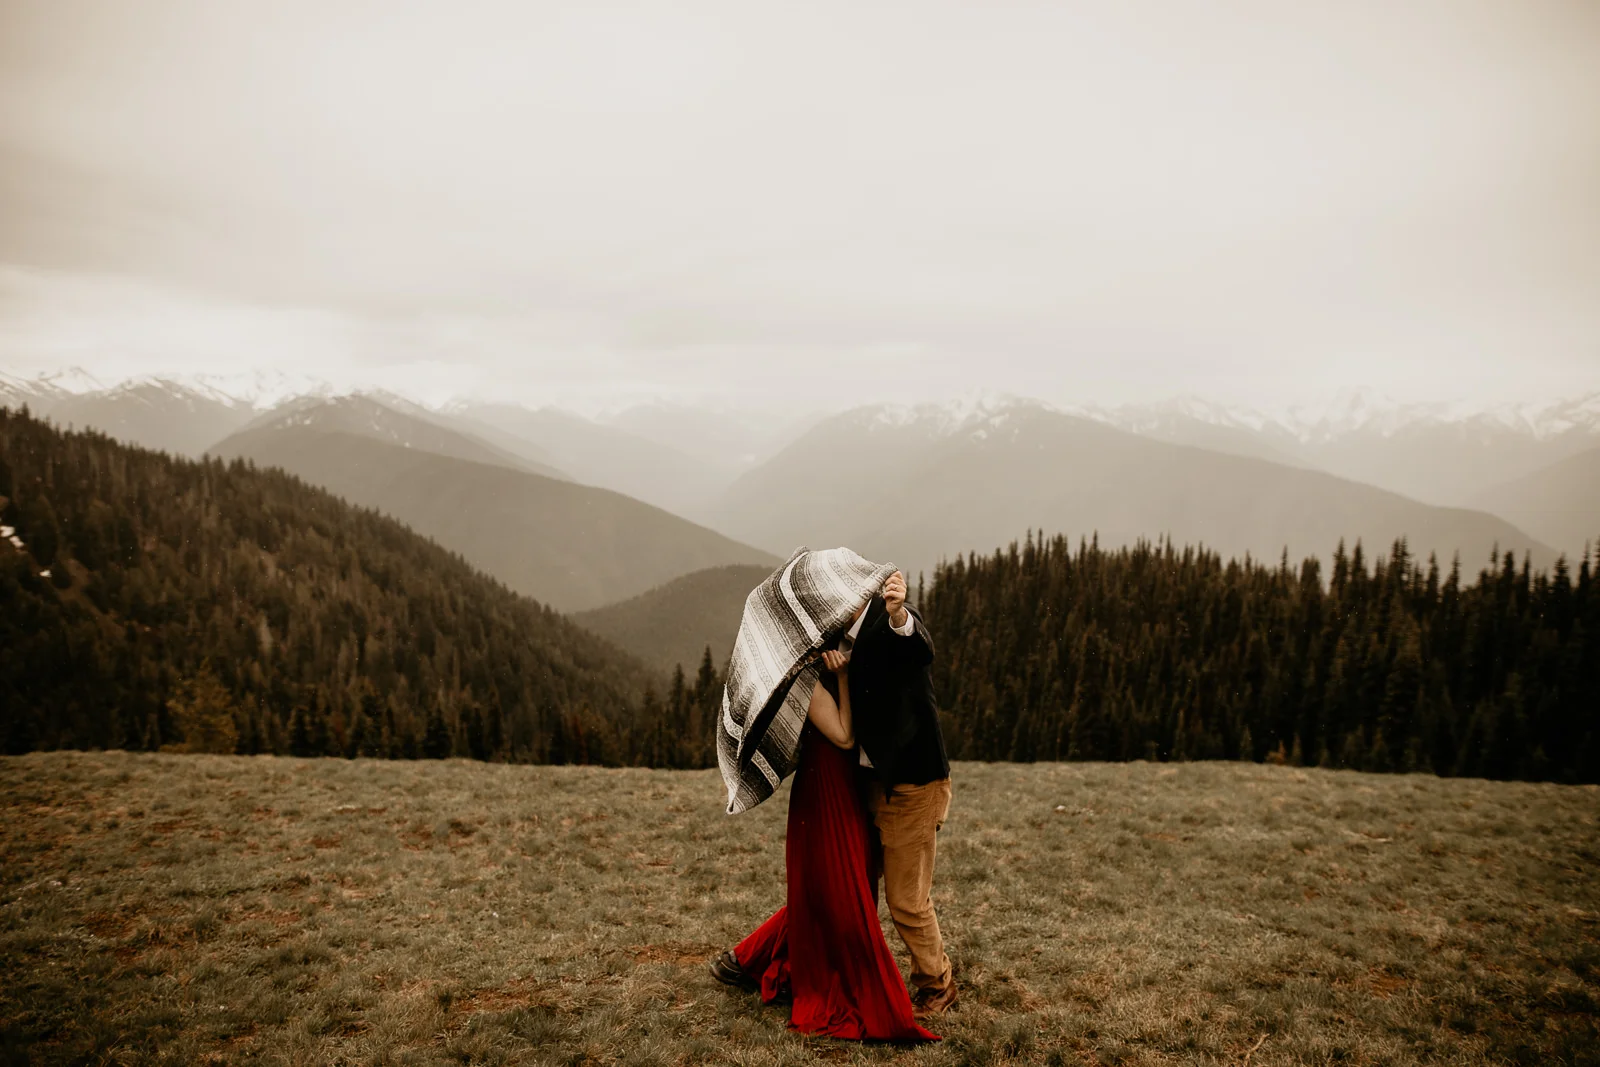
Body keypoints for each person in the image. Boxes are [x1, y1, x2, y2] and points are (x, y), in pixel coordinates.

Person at [710, 570, 955, 1036]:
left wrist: (900, 613)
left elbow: (918, 647)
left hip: (910, 785)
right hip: (859, 788)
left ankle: (936, 984)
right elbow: (841, 730)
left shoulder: (888, 623)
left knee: (903, 900)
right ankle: (755, 957)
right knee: (843, 887)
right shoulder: (826, 654)